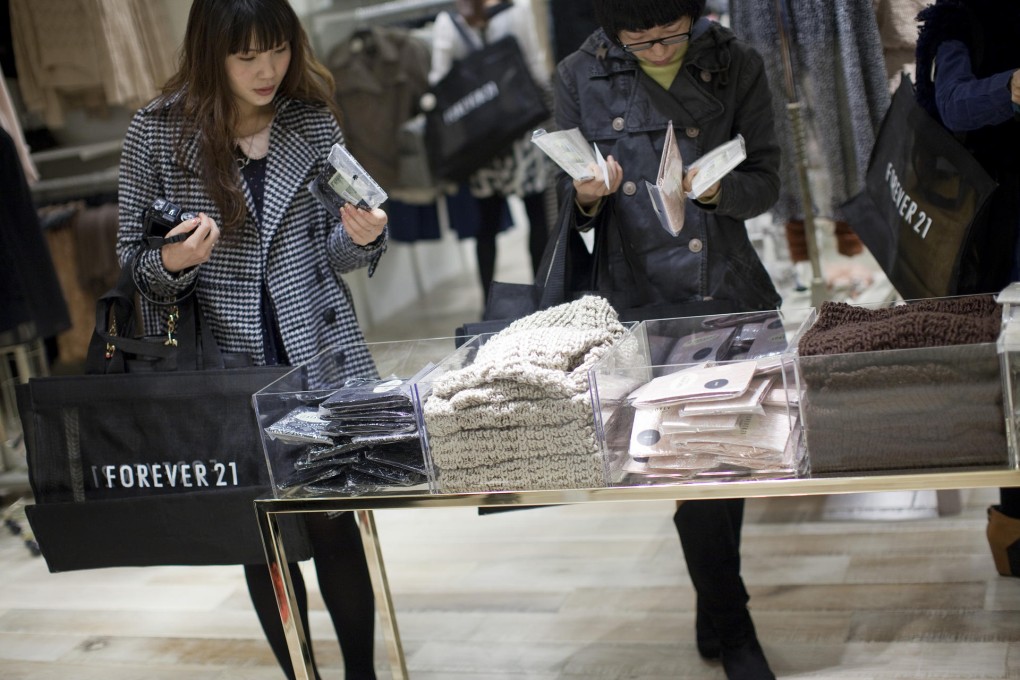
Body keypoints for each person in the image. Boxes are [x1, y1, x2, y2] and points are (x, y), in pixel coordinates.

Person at [115, 1, 389, 677]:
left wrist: (363, 237)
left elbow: (335, 248)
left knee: (335, 527)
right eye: (247, 56)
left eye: (278, 50)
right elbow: (131, 262)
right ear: (213, 52)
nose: (268, 70)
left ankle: (363, 673)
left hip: (316, 354)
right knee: (261, 540)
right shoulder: (153, 134)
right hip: (223, 367)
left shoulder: (310, 120)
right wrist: (173, 262)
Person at [554, 1, 780, 678]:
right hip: (638, 296)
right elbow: (567, 202)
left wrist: (716, 194)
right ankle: (734, 624)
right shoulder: (577, 75)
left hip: (726, 286)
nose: (657, 51)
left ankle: (716, 607)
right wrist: (589, 197)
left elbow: (766, 179)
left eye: (671, 36)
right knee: (691, 465)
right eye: (638, 42)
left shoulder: (737, 62)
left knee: (730, 457)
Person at [915, 0, 1020, 579]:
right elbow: (952, 106)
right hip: (1003, 222)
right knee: (1016, 383)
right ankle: (1012, 528)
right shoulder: (962, 19)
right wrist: (1011, 87)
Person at [429, 0, 554, 302]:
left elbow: (439, 81)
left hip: (481, 143)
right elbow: (535, 64)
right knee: (537, 214)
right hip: (520, 129)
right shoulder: (518, 9)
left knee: (486, 225)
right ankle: (539, 294)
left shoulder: (450, 20)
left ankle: (488, 301)